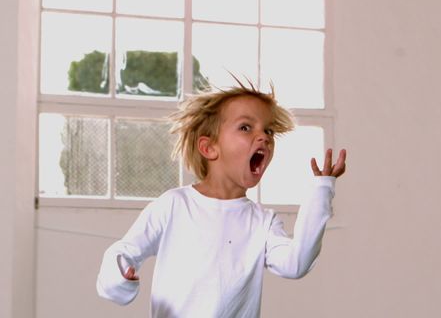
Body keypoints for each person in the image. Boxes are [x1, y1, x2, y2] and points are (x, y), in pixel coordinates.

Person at [96, 80, 347, 317]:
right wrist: (120, 277)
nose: (264, 137)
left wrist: (321, 191)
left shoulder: (263, 222)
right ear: (209, 148)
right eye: (246, 127)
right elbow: (124, 251)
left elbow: (296, 263)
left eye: (268, 130)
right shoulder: (174, 205)